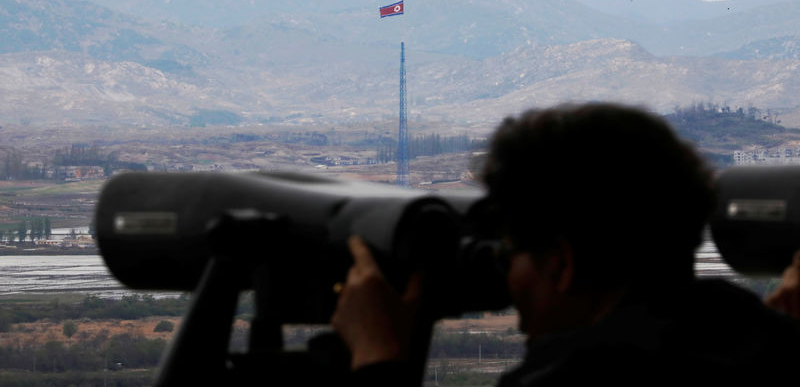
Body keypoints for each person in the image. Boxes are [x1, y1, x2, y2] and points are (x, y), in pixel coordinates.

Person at [331, 103, 800, 386]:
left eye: (511, 251)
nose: (505, 275)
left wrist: (378, 362)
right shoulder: (763, 343)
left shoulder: (575, 381)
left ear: (560, 265)